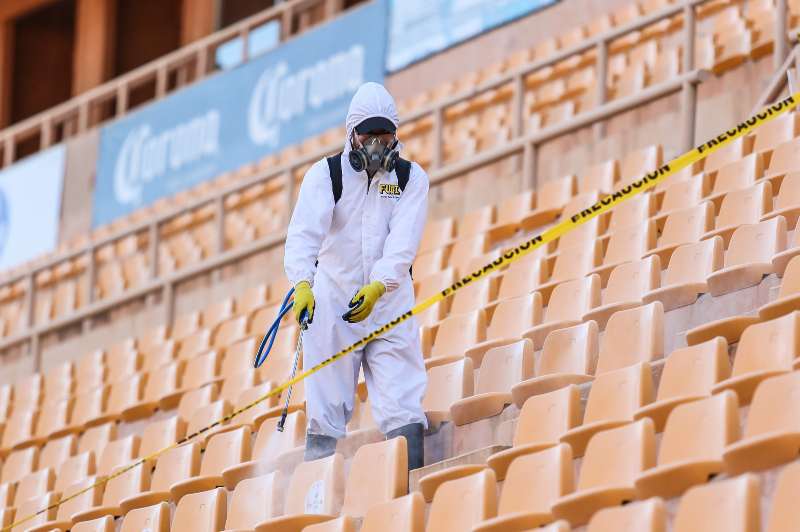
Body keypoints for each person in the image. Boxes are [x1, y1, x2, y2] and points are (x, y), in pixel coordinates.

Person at [284, 82, 429, 469]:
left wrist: (379, 286)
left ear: (395, 135)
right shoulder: (326, 176)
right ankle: (317, 502)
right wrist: (302, 284)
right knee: (326, 410)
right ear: (352, 135)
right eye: (369, 134)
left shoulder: (412, 179)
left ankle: (410, 493)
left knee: (403, 402)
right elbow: (302, 238)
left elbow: (402, 246)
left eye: (384, 134)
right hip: (334, 309)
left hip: (388, 306)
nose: (376, 143)